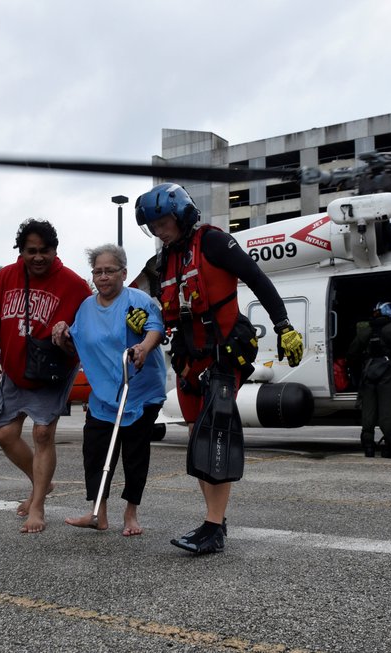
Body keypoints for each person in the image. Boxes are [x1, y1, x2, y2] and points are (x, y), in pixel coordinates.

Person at [134, 182, 304, 555]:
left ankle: (213, 527)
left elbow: (258, 279)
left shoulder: (212, 242)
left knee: (215, 437)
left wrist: (284, 326)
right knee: (198, 437)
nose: (160, 231)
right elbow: (148, 304)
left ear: (181, 214)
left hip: (224, 355)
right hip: (188, 361)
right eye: (154, 225)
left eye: (163, 221)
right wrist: (138, 319)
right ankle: (214, 522)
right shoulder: (162, 262)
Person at [0, 219, 91, 533]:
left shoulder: (75, 285)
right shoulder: (5, 278)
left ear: (55, 250)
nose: (38, 257)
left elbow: (89, 329)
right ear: (20, 251)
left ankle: (37, 507)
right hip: (14, 369)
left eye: (44, 251)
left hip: (51, 372)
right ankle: (41, 483)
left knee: (42, 435)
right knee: (4, 434)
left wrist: (70, 338)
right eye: (31, 251)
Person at [52, 244, 166, 536]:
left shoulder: (137, 300)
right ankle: (98, 514)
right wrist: (62, 331)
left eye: (109, 271)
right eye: (97, 272)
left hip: (139, 391)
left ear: (123, 273)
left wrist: (143, 346)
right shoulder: (86, 308)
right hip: (103, 395)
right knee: (95, 452)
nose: (103, 277)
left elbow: (156, 328)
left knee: (134, 454)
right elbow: (75, 343)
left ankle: (131, 514)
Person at [348, 301, 391, 459]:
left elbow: (351, 353)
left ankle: (368, 447)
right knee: (386, 412)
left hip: (368, 373)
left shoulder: (364, 331)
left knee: (368, 411)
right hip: (387, 374)